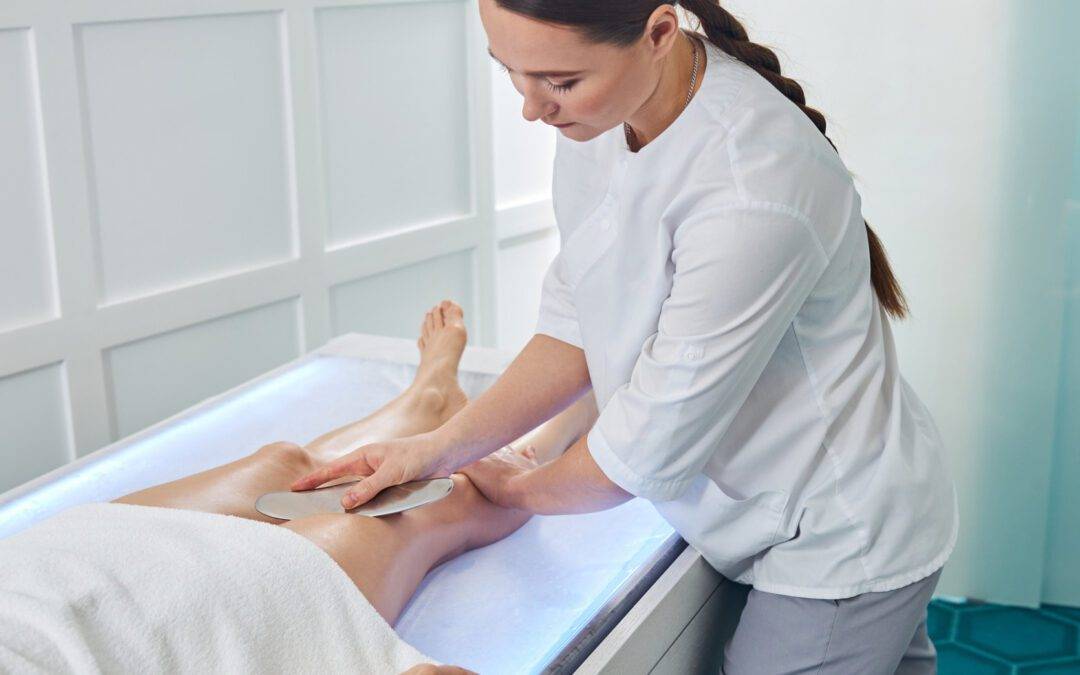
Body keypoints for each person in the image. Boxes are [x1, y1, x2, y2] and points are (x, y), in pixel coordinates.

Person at [291, 2, 960, 673]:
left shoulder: (755, 184)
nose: (533, 108)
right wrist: (434, 449)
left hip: (834, 535)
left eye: (558, 81)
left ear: (660, 33)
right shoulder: (605, 114)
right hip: (775, 502)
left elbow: (642, 446)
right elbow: (577, 322)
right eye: (513, 74)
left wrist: (520, 486)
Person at [3, 301, 598, 674]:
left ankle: (427, 400)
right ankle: (547, 439)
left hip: (40, 578)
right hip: (171, 641)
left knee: (281, 464)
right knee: (428, 506)